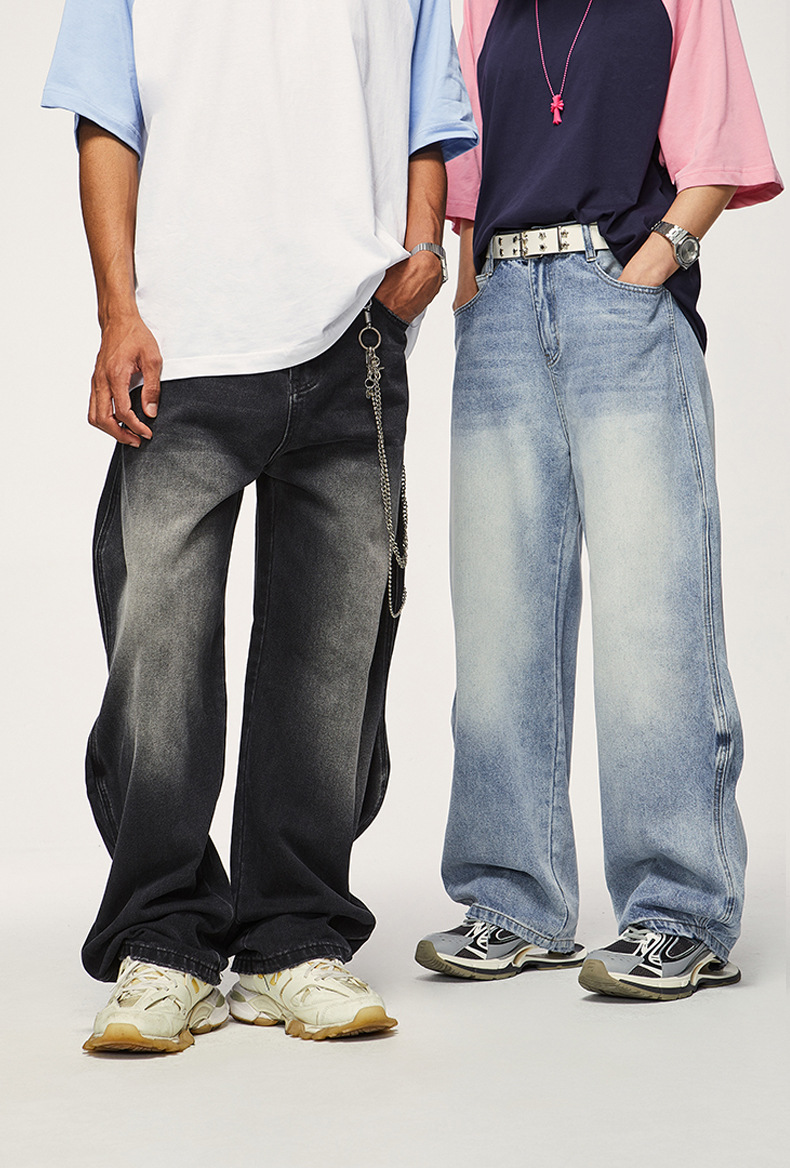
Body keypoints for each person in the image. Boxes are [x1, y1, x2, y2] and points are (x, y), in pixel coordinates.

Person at [43, 0, 476, 1052]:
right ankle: (163, 942)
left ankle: (292, 940)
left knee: (333, 660)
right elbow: (106, 115)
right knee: (157, 649)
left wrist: (419, 250)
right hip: (185, 337)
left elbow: (428, 112)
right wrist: (117, 312)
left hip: (354, 338)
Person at [416, 0, 782, 999]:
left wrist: (655, 261)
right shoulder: (482, 6)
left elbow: (714, 153)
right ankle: (512, 902)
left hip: (617, 297)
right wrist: (471, 290)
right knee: (499, 623)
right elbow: (462, 177)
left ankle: (679, 912)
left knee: (651, 619)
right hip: (499, 306)